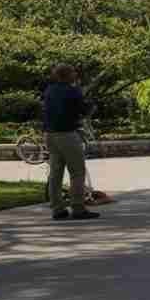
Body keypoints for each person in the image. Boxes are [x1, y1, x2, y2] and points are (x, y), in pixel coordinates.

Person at [43, 65, 99, 221]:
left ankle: (57, 209)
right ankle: (78, 208)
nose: (76, 74)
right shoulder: (72, 90)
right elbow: (84, 111)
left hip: (50, 135)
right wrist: (92, 106)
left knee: (55, 173)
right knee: (77, 172)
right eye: (73, 72)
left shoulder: (49, 90)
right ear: (67, 75)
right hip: (67, 134)